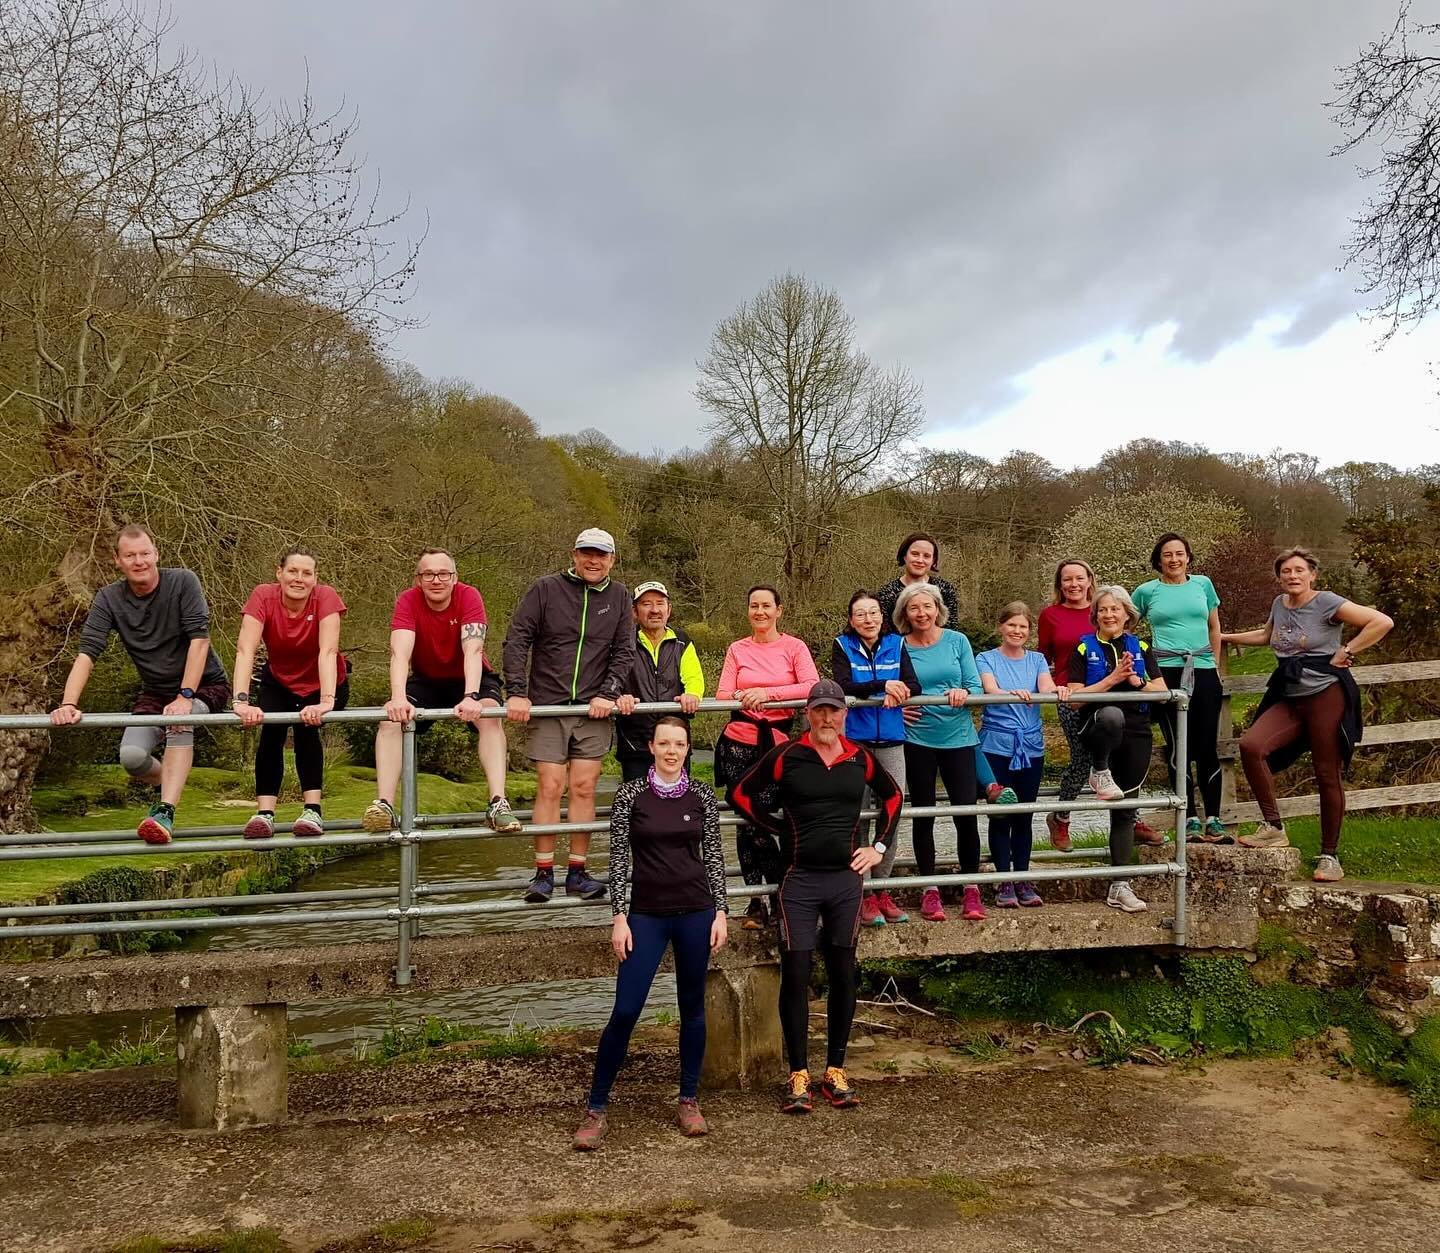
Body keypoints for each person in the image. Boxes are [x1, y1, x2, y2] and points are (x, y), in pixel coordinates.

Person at [727, 680, 902, 1115]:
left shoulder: (858, 757)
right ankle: (799, 1074)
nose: (827, 718)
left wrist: (877, 848)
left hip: (846, 881)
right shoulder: (787, 755)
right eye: (820, 711)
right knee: (797, 971)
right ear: (808, 713)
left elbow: (894, 796)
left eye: (834, 711)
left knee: (844, 972)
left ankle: (836, 1071)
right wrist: (774, 828)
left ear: (844, 715)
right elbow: (739, 794)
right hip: (798, 882)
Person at [573, 717, 728, 1150]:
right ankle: (596, 1107)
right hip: (645, 915)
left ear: (687, 750)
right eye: (665, 743)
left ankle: (689, 1099)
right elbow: (619, 861)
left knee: (692, 1008)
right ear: (651, 747)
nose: (672, 751)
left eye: (680, 744)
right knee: (625, 1010)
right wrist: (618, 917)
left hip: (696, 911)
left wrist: (721, 911)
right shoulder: (630, 795)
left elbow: (713, 856)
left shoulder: (700, 795)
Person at [49, 525, 230, 844]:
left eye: (145, 553)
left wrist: (185, 696)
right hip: (156, 691)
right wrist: (68, 704)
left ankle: (165, 813)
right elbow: (87, 653)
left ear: (156, 555)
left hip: (203, 685)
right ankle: (166, 782)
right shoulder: (109, 598)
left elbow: (199, 641)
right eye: (130, 555)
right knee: (131, 757)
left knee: (178, 722)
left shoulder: (183, 582)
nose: (139, 561)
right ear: (118, 561)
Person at [1222, 547, 1392, 883]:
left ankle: (1330, 855)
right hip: (1290, 694)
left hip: (1325, 695)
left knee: (1326, 773)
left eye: (1299, 570)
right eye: (1286, 571)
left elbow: (1381, 621)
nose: (1293, 576)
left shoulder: (1327, 602)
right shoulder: (1279, 604)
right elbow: (1266, 635)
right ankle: (1273, 827)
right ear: (1279, 577)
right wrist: (1225, 636)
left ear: (1312, 574)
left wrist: (1347, 650)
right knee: (1251, 746)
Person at [505, 528, 636, 903]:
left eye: (602, 555)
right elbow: (518, 639)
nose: (594, 561)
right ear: (574, 555)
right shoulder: (545, 589)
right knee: (549, 786)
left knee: (583, 787)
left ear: (612, 559)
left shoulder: (619, 595)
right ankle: (543, 872)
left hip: (592, 710)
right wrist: (516, 692)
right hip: (548, 703)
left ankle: (578, 871)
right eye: (587, 553)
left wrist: (608, 693)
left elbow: (623, 650)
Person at [362, 549, 521, 839]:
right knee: (390, 721)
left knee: (489, 717)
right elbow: (400, 652)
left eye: (443, 574)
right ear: (418, 579)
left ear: (454, 577)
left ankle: (498, 803)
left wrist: (471, 695)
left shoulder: (469, 596)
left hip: (470, 676)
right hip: (427, 679)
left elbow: (472, 649)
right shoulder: (408, 601)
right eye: (428, 574)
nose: (436, 580)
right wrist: (397, 697)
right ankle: (384, 804)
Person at [714, 585, 820, 929]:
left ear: (779, 610)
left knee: (769, 820)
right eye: (753, 606)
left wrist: (768, 694)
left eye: (766, 606)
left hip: (775, 744)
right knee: (746, 824)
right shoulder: (736, 649)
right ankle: (756, 900)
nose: (759, 612)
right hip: (737, 743)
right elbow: (722, 693)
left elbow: (811, 686)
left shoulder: (794, 647)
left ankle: (780, 895)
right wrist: (746, 696)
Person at [232, 548, 350, 838]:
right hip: (280, 680)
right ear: (279, 573)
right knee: (270, 733)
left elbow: (328, 651)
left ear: (315, 578)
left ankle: (312, 811)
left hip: (324, 682)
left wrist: (325, 701)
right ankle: (264, 814)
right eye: (292, 571)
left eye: (306, 573)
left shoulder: (325, 597)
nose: (299, 578)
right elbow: (246, 649)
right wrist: (240, 700)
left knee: (307, 728)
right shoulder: (263, 595)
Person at [1065, 586, 1170, 912]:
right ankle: (1099, 770)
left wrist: (1137, 681)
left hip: (1138, 731)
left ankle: (1120, 885)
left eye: (1115, 610)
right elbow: (1076, 697)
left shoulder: (1140, 645)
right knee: (1111, 715)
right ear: (1094, 615)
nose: (1109, 615)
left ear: (1127, 615)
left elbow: (1162, 690)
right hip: (1099, 726)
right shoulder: (1084, 646)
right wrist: (1112, 679)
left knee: (1125, 811)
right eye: (1103, 610)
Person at [895, 581, 984, 923]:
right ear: (905, 614)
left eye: (927, 606)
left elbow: (974, 685)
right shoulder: (899, 646)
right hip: (916, 738)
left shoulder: (957, 641)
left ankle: (971, 888)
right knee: (923, 814)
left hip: (959, 737)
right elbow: (889, 689)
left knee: (966, 813)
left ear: (937, 609)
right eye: (914, 608)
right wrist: (896, 710)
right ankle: (929, 889)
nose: (921, 613)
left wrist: (964, 691)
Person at [831, 590, 921, 926]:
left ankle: (883, 888)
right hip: (855, 741)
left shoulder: (897, 644)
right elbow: (842, 686)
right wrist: (884, 684)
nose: (868, 620)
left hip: (893, 740)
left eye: (874, 613)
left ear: (882, 616)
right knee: (858, 817)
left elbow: (912, 683)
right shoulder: (842, 645)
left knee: (892, 810)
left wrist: (901, 690)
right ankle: (863, 892)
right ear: (851, 620)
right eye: (861, 614)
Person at [1133, 533, 1228, 843]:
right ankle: (1188, 818)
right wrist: (1138, 664)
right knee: (1178, 746)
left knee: (1207, 746)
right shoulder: (1147, 591)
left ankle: (1213, 817)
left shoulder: (1203, 585)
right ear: (1158, 560)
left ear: (1188, 556)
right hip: (1166, 672)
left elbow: (1215, 627)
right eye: (1167, 555)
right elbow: (1124, 626)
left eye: (1179, 553)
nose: (1173, 559)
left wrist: (1214, 664)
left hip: (1202, 669)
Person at [976, 602, 1066, 908]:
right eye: (1011, 625)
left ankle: (1023, 878)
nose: (1017, 631)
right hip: (996, 747)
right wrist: (1013, 694)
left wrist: (1059, 690)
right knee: (1001, 814)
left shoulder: (1038, 659)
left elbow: (1046, 686)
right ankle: (1003, 882)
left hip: (1030, 747)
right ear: (1001, 627)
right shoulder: (986, 658)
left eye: (1023, 627)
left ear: (1030, 631)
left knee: (1024, 816)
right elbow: (990, 689)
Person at [614, 581, 704, 783]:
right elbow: (612, 678)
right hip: (635, 742)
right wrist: (618, 696)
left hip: (674, 742)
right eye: (646, 604)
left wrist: (693, 695)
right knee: (637, 804)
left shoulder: (682, 641)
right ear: (635, 611)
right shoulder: (622, 641)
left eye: (660, 603)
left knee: (676, 803)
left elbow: (694, 678)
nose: (654, 610)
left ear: (669, 609)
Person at [1038, 558, 1096, 852]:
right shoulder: (1051, 615)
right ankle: (1061, 818)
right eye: (1067, 580)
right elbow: (1042, 657)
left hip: (1106, 691)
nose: (1073, 585)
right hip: (1068, 694)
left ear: (1089, 581)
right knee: (1081, 757)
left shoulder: (1102, 611)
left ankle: (1133, 817)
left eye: (1079, 578)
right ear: (1060, 585)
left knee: (1123, 754)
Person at [875, 532, 961, 633]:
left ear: (933, 560)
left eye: (926, 556)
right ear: (904, 556)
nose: (920, 560)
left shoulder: (945, 589)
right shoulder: (887, 593)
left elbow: (951, 629)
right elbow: (885, 634)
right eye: (915, 554)